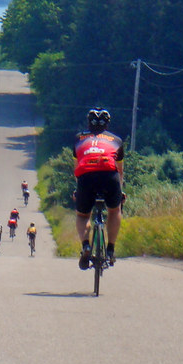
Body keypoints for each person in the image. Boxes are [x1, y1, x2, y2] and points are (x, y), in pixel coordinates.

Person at [73, 108, 124, 269]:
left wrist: (79, 191)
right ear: (107, 124)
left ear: (88, 123)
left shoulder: (78, 139)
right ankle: (110, 249)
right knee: (114, 211)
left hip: (86, 177)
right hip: (110, 176)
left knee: (82, 215)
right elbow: (120, 171)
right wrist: (120, 192)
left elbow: (77, 169)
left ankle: (86, 246)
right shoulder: (117, 140)